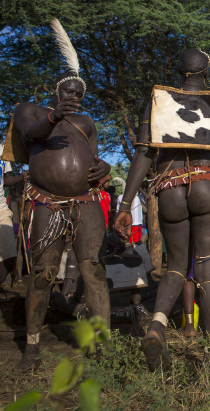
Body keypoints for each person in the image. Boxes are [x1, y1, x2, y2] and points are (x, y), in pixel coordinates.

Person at [115, 48, 210, 371]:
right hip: (207, 186)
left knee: (174, 267)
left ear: (181, 72)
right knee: (207, 271)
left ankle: (156, 328)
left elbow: (142, 154)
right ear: (205, 73)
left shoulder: (159, 102)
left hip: (169, 188)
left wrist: (126, 204)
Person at [13, 19, 111, 369]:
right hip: (47, 203)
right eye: (69, 91)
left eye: (79, 94)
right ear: (57, 90)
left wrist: (106, 170)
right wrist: (54, 116)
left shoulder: (86, 123)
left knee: (94, 270)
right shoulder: (30, 111)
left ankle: (103, 343)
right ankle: (32, 345)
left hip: (86, 203)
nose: (75, 97)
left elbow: (98, 159)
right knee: (43, 272)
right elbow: (31, 134)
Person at [0, 144, 25, 285]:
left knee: (10, 256)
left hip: (1, 210)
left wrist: (22, 176)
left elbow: (6, 180)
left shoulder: (3, 150)